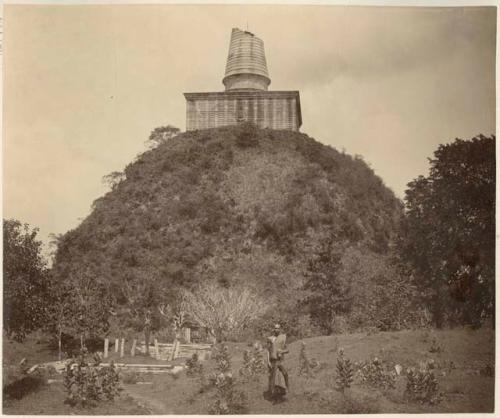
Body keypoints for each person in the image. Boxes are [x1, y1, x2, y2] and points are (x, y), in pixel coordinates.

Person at [266, 324, 289, 402]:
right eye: (275, 328)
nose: (276, 330)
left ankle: (285, 391)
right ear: (273, 329)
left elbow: (287, 350)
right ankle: (273, 396)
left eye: (278, 328)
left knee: (284, 374)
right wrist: (268, 361)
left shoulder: (283, 338)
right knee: (273, 378)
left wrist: (282, 351)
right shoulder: (270, 338)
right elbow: (268, 350)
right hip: (273, 361)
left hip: (280, 360)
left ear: (280, 329)